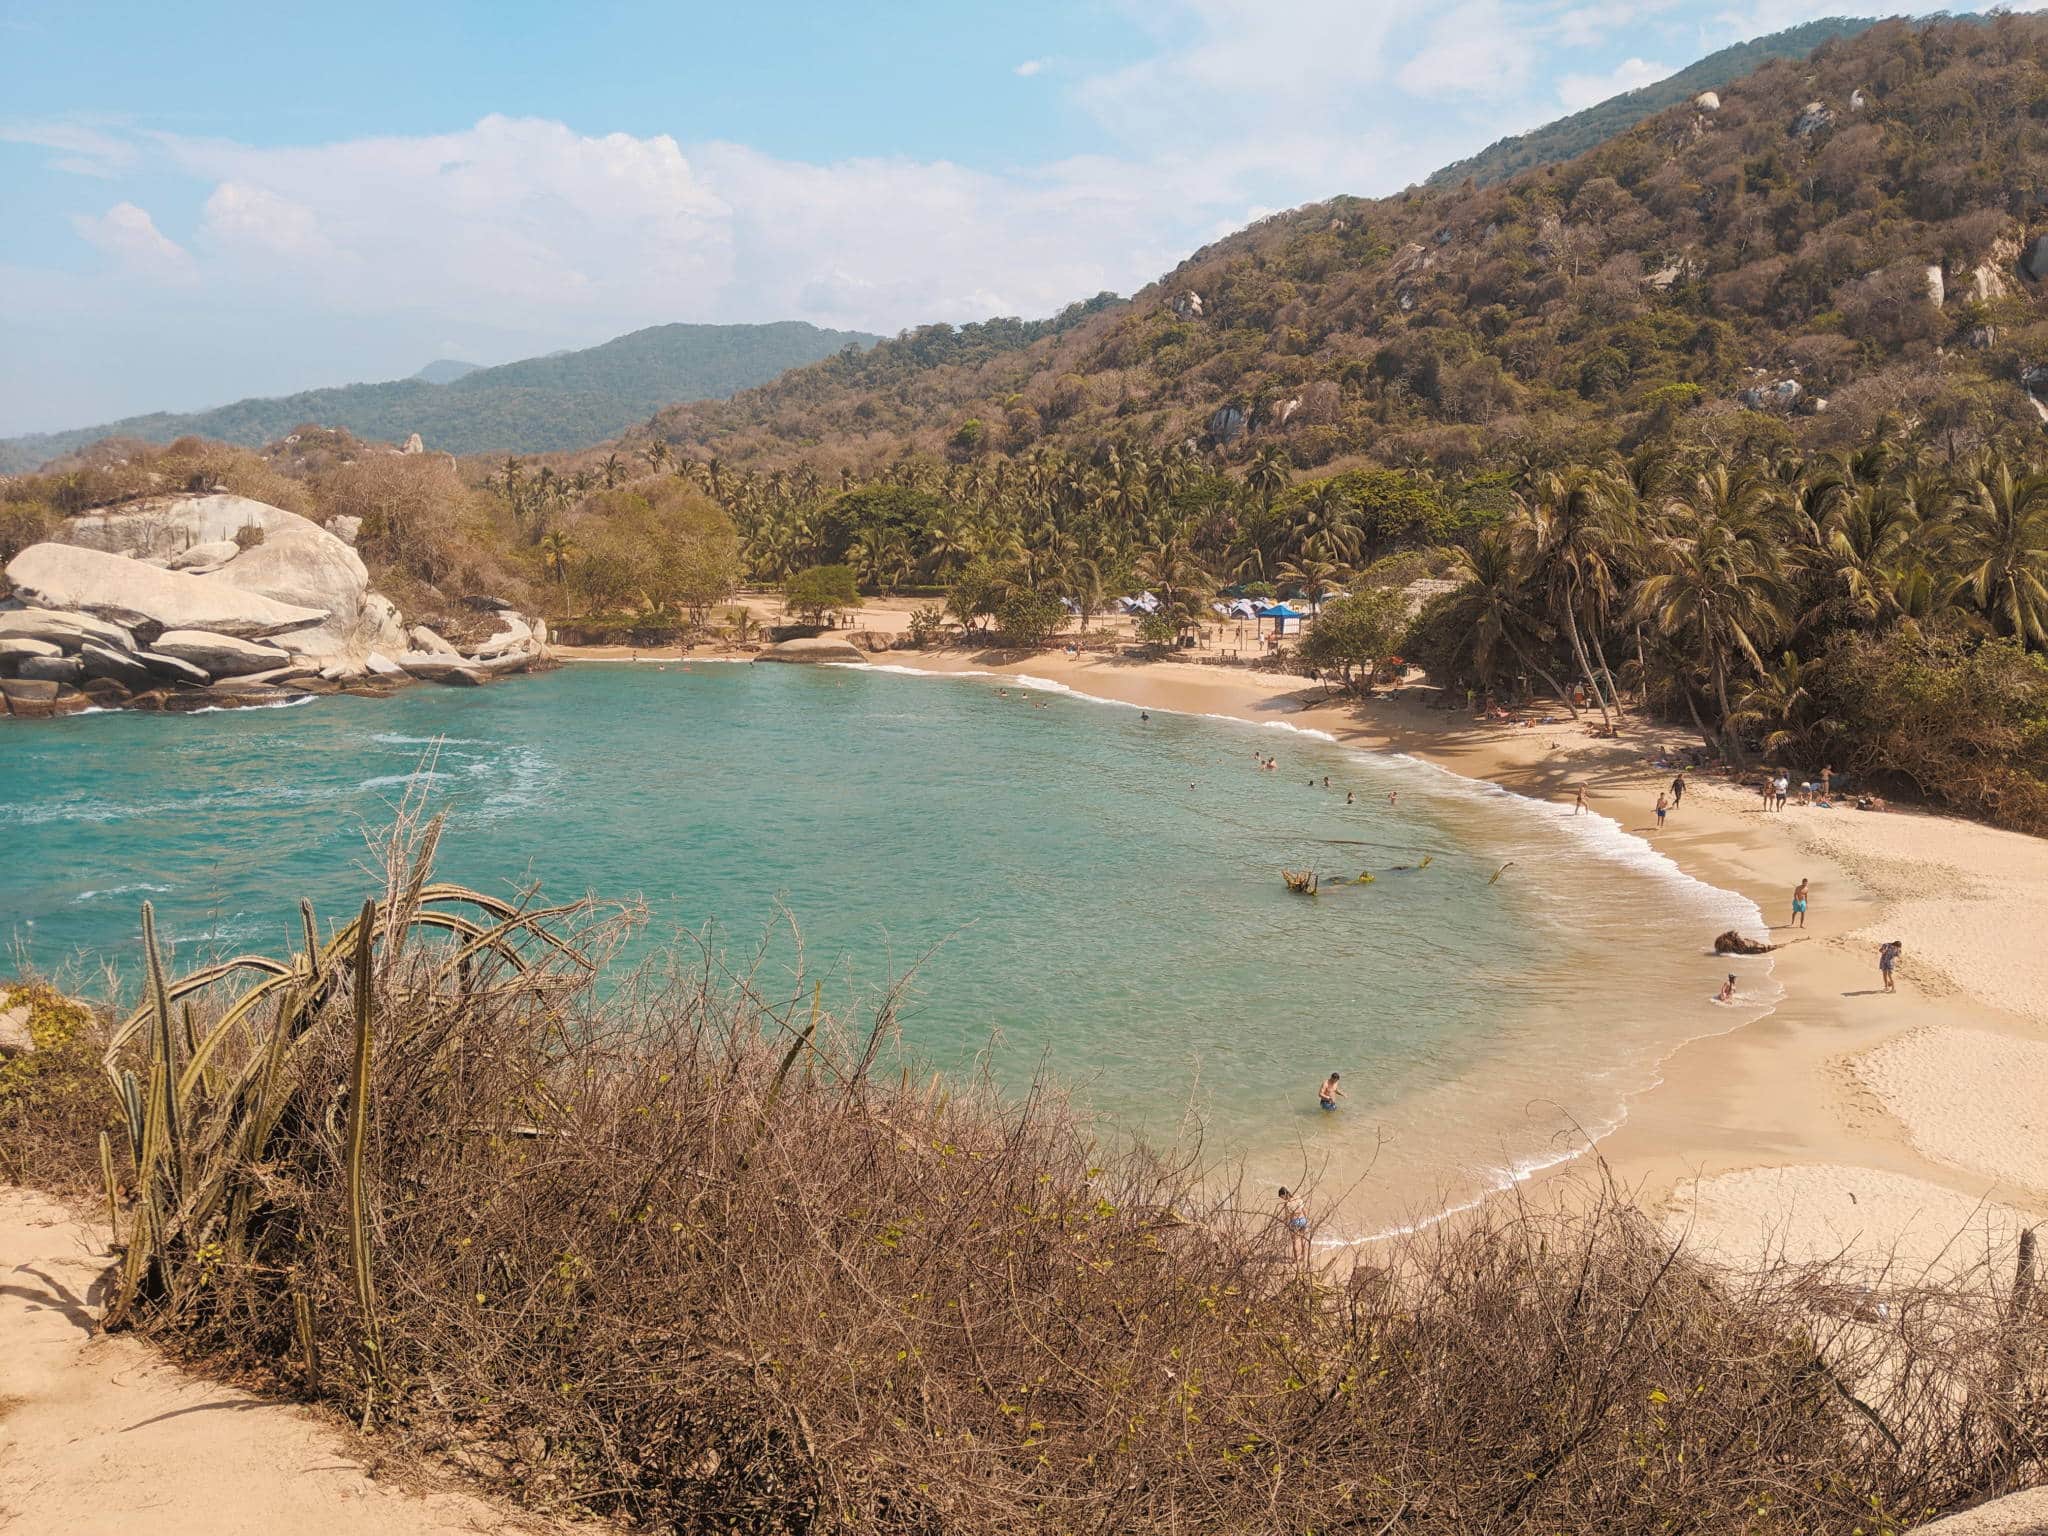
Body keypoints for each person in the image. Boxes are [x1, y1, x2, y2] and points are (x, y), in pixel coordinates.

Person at [1278, 1187, 1310, 1262]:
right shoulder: (1298, 1198)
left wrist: (1287, 1224)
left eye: (1282, 1197)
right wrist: (1307, 1220)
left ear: (1284, 1194)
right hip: (1302, 1220)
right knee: (1303, 1239)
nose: (1282, 1199)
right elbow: (1304, 1210)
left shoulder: (1287, 1204)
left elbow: (1287, 1217)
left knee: (1295, 1241)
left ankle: (1296, 1260)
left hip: (1294, 1222)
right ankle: (1304, 1257)